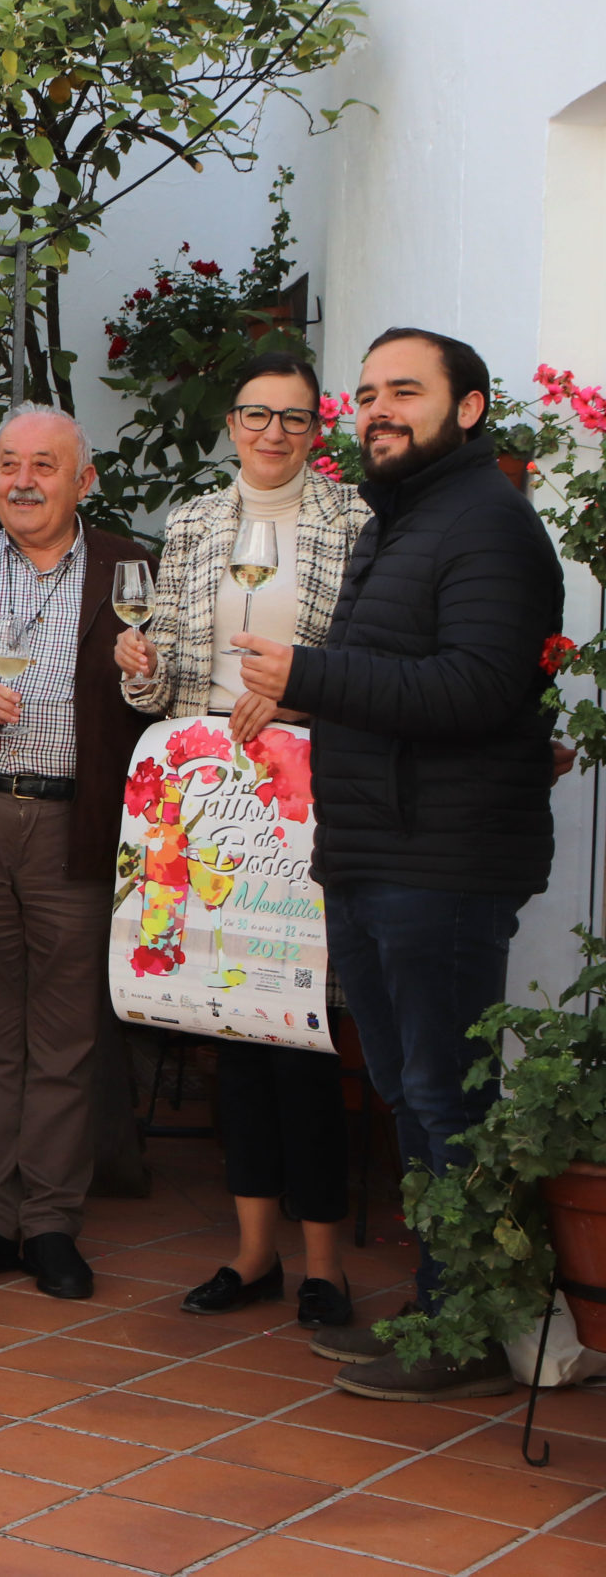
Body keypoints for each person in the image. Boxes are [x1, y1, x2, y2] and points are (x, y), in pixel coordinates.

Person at [233, 328, 565, 1402]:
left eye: (404, 392)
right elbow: (396, 676)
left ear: (466, 409)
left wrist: (314, 675)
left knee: (441, 1097)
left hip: (446, 862)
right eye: (367, 393)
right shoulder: (405, 520)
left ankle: (465, 1326)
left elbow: (473, 689)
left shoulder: (489, 527)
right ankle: (440, 1305)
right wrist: (307, 693)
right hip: (379, 854)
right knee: (408, 1092)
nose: (376, 409)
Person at [114, 350, 368, 1331]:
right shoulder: (190, 525)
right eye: (257, 415)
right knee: (230, 1031)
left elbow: (364, 661)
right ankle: (252, 1251)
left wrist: (298, 691)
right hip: (209, 796)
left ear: (316, 430)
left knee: (301, 1031)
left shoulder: (353, 525)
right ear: (230, 423)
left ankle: (324, 1266)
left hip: (303, 791)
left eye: (293, 419)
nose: (272, 434)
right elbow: (164, 676)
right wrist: (135, 664)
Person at [0, 404, 154, 1300]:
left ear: (82, 480)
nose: (22, 479)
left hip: (79, 828)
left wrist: (148, 670)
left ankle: (50, 1223)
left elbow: (165, 695)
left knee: (66, 1035)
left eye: (44, 465)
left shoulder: (139, 571)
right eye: (9, 462)